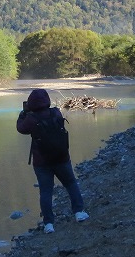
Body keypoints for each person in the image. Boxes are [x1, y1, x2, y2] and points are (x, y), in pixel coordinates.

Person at [16, 88, 89, 233]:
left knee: (46, 191)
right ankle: (79, 212)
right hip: (61, 157)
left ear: (30, 103)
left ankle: (49, 224)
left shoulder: (31, 119)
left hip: (42, 162)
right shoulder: (56, 112)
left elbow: (21, 129)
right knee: (71, 183)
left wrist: (22, 115)